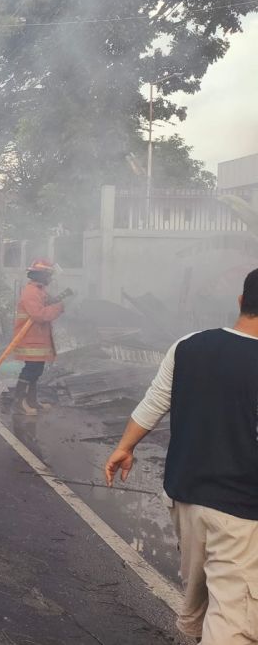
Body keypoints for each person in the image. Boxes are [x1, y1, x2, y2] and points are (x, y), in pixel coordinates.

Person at [105, 268, 258, 644]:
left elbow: (154, 401)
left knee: (197, 598)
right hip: (240, 510)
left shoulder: (189, 344)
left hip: (184, 498)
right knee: (234, 620)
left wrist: (124, 447)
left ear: (241, 301)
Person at [12, 258, 65, 415]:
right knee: (30, 370)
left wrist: (55, 302)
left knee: (37, 371)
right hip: (31, 340)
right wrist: (58, 307)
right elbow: (39, 315)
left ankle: (31, 401)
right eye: (48, 275)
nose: (50, 279)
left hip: (38, 339)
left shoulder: (40, 290)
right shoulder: (31, 292)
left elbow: (44, 305)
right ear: (41, 275)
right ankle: (19, 404)